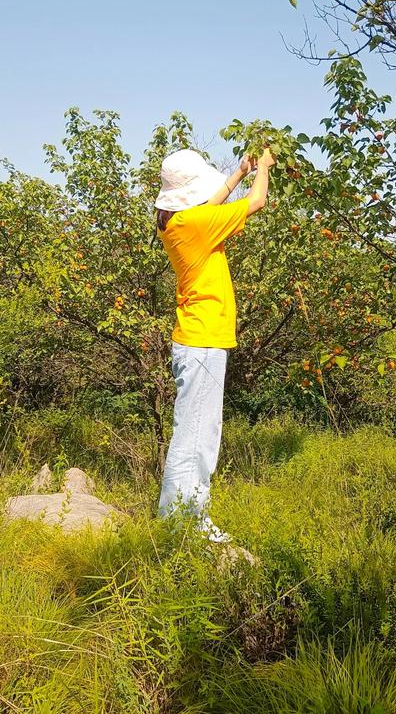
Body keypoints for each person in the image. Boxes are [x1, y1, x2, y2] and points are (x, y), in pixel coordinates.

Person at [154, 144, 276, 542]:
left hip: (197, 340)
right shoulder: (196, 224)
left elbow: (211, 201)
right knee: (197, 437)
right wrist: (264, 168)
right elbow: (257, 201)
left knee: (195, 432)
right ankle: (185, 523)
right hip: (204, 341)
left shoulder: (176, 221)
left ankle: (180, 518)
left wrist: (239, 172)